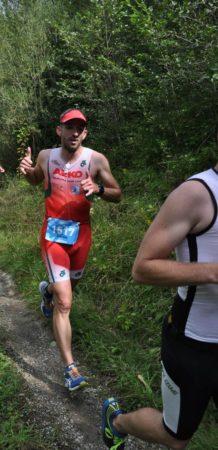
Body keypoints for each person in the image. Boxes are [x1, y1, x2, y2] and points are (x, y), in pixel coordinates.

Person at [102, 148, 218, 449]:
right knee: (176, 436)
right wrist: (212, 272)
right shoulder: (197, 193)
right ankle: (118, 421)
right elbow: (142, 268)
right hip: (194, 343)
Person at [19, 108, 122, 391]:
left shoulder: (96, 160)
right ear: (59, 130)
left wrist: (99, 190)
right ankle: (70, 368)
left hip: (81, 234)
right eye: (69, 127)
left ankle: (47, 290)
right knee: (65, 302)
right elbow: (35, 179)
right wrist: (27, 172)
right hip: (53, 234)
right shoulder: (46, 156)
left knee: (69, 287)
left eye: (80, 128)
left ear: (85, 133)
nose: (75, 132)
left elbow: (117, 193)